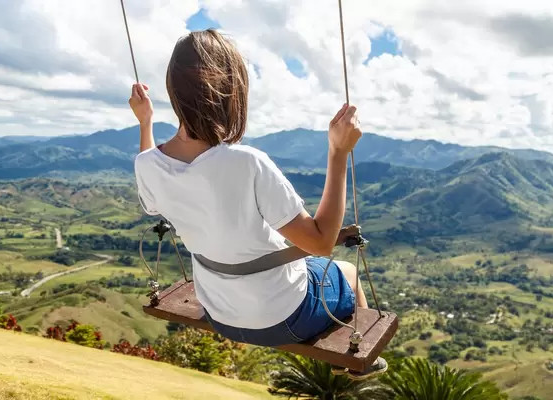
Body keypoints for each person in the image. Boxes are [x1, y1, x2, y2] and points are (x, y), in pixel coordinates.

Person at [130, 29, 387, 379]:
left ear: (173, 92)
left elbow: (152, 189)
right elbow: (322, 242)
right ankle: (360, 364)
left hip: (219, 314)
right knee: (347, 272)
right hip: (284, 318)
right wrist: (337, 152)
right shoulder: (246, 163)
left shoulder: (147, 165)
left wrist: (145, 123)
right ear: (232, 92)